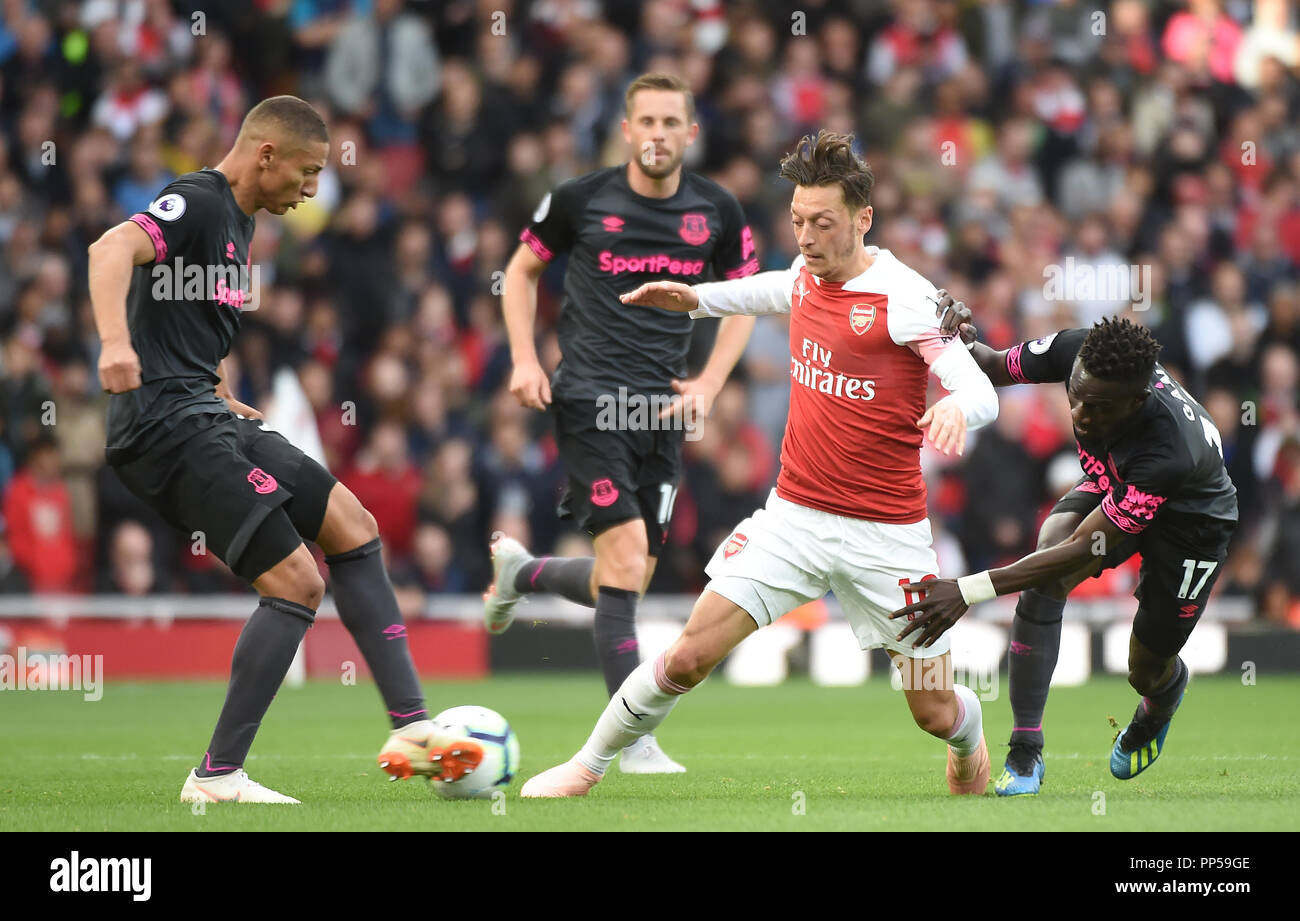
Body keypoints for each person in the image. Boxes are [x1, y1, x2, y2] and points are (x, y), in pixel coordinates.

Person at [519, 129, 999, 798]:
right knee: (687, 655)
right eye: (798, 220)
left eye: (822, 222)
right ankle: (586, 767)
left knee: (934, 710)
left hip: (888, 536)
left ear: (863, 219)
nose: (805, 235)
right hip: (793, 520)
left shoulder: (909, 299)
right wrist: (696, 297)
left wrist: (956, 409)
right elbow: (773, 289)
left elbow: (978, 388)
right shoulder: (807, 272)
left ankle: (969, 741)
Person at [89, 95, 477, 805]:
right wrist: (114, 344)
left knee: (354, 527)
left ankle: (414, 733)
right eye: (307, 172)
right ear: (266, 154)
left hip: (204, 411)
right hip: (164, 427)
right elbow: (110, 248)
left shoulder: (239, 225)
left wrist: (218, 382)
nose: (312, 190)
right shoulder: (200, 202)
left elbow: (188, 321)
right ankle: (216, 775)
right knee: (297, 582)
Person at [483, 73, 761, 774]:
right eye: (648, 121)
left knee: (626, 576)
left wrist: (710, 381)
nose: (660, 134)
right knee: (628, 559)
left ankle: (525, 572)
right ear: (628, 130)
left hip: (663, 410)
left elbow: (747, 299)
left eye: (673, 121)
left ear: (690, 133)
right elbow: (519, 273)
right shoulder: (580, 199)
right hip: (589, 400)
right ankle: (633, 741)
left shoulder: (718, 209)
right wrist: (523, 358)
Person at [891, 315, 1238, 791]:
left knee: (1145, 667)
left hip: (1194, 523)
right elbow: (990, 365)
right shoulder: (1082, 349)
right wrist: (950, 333)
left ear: (1135, 403)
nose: (1078, 412)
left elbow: (1083, 549)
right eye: (1075, 394)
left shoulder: (1168, 451)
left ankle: (1164, 696)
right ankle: (1025, 753)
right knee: (1045, 562)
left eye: (1096, 407)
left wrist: (968, 590)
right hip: (1115, 484)